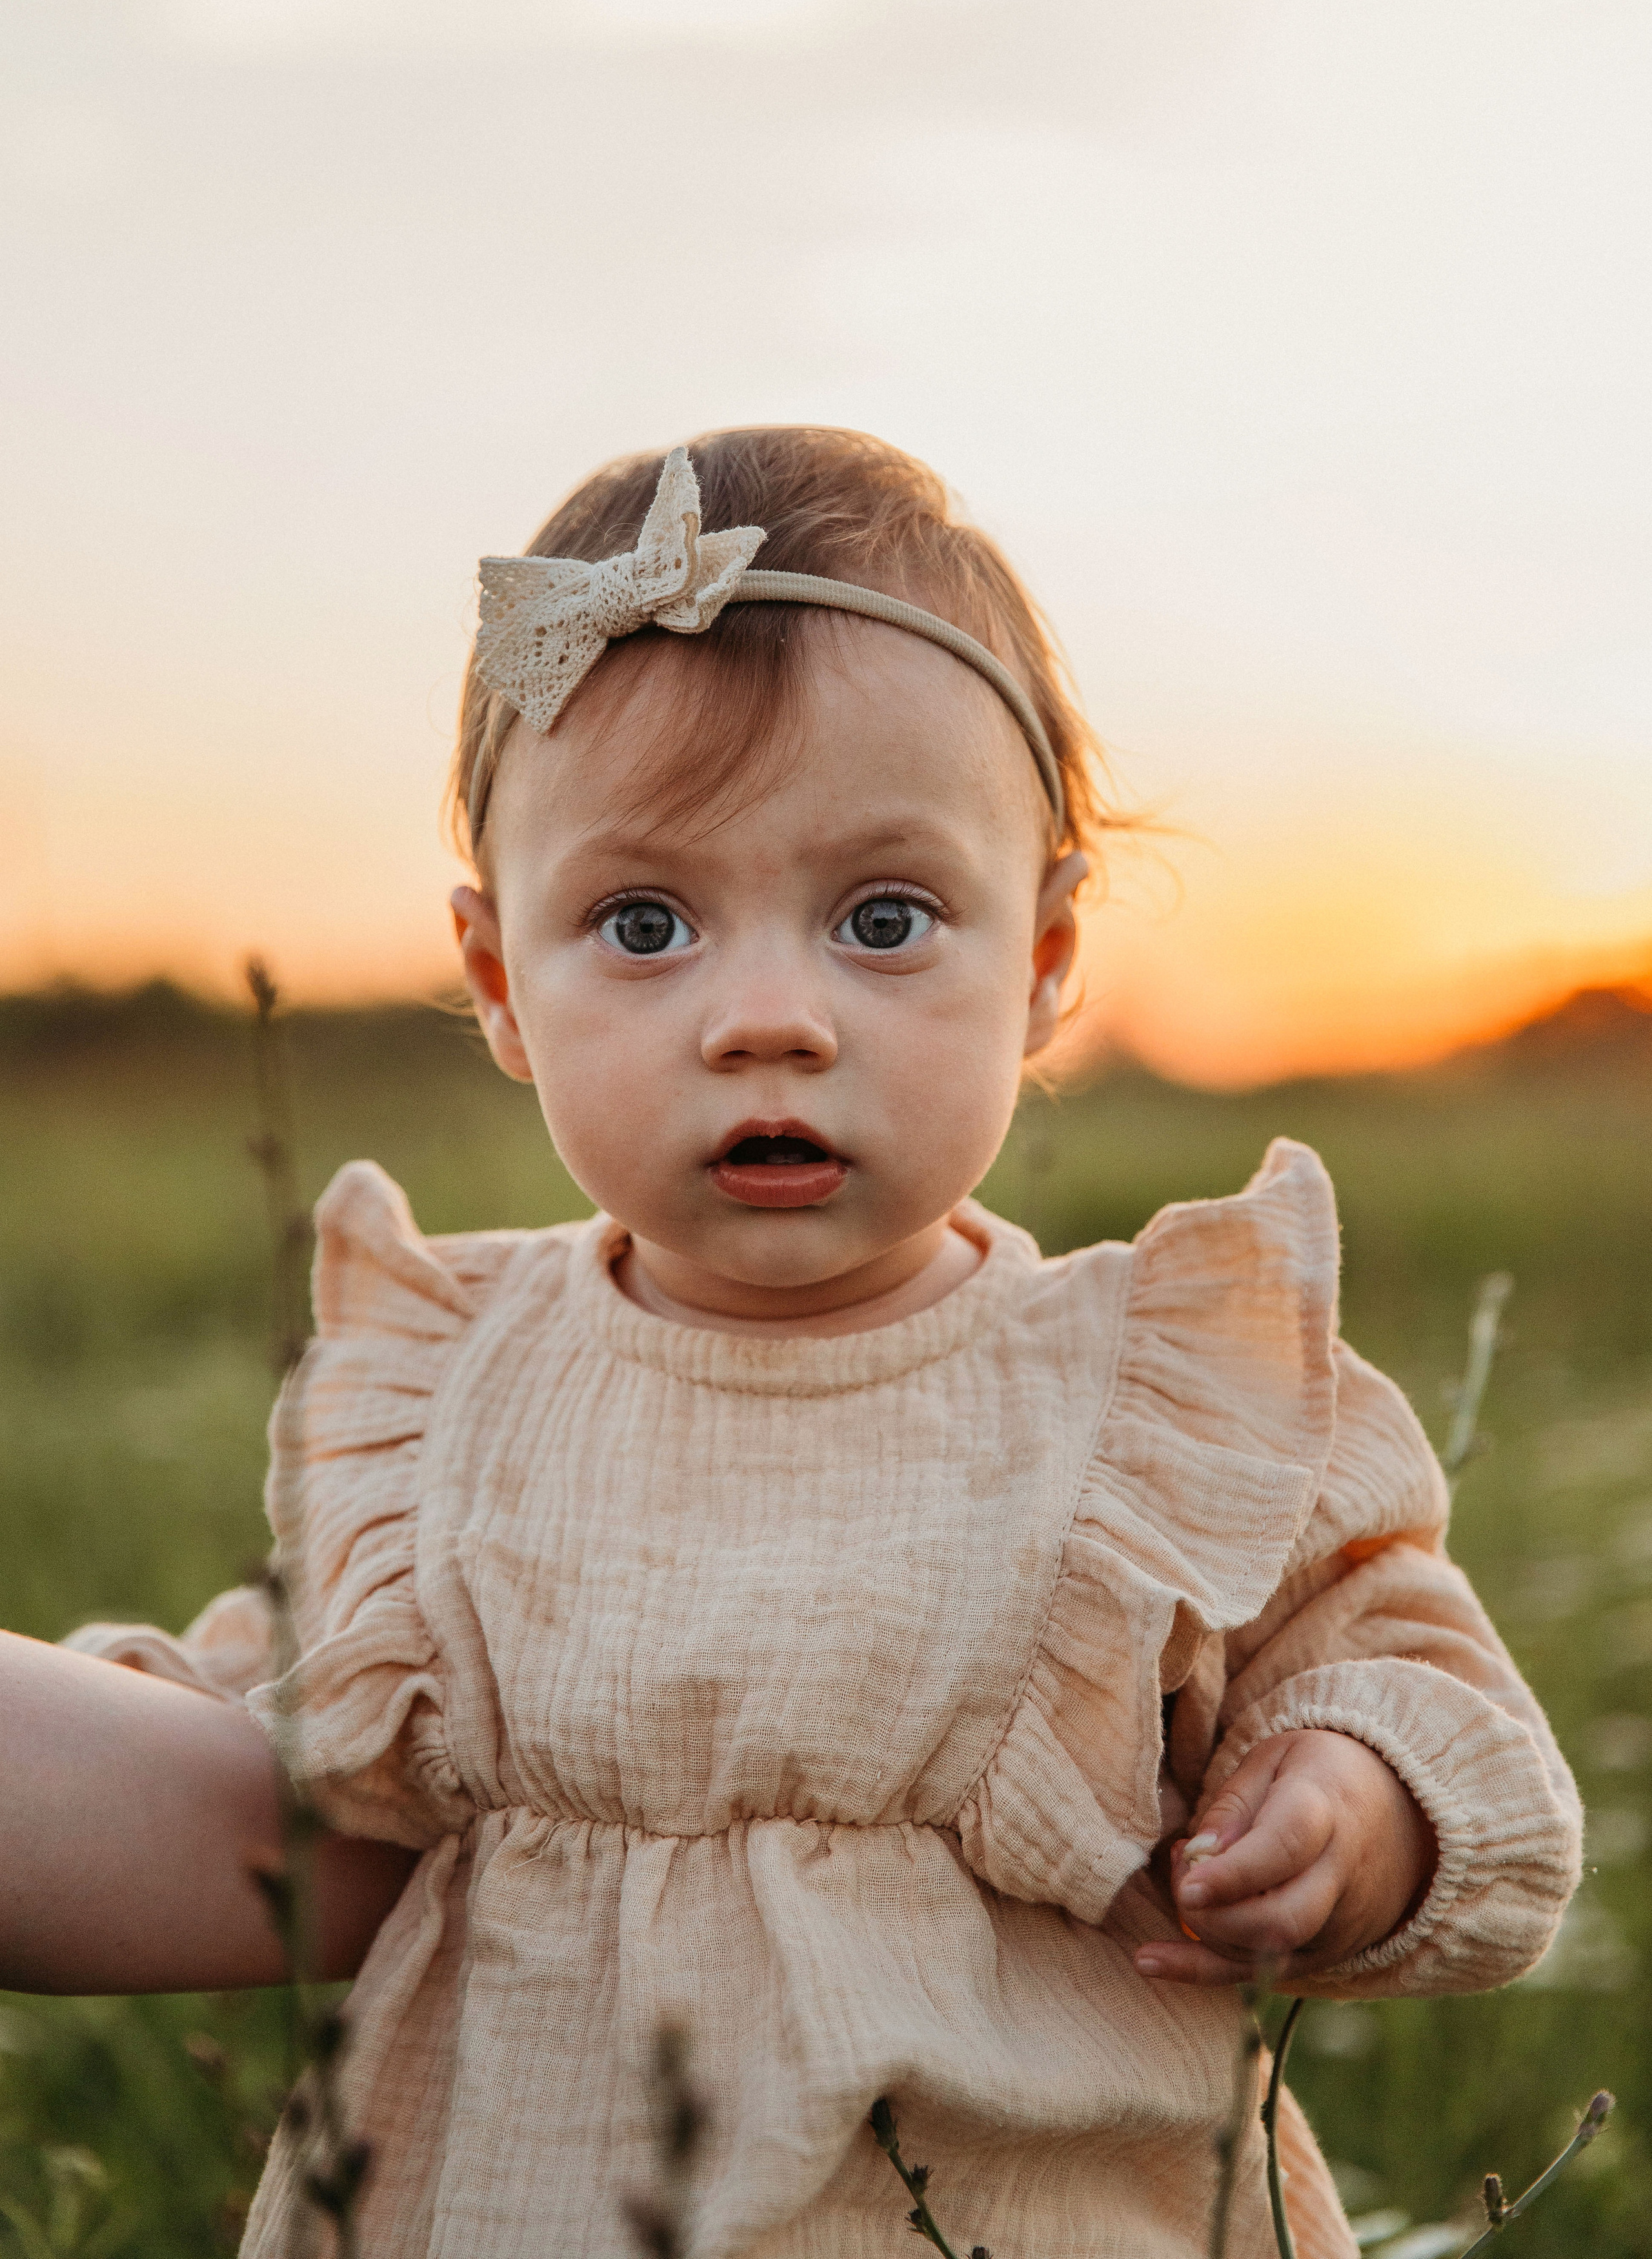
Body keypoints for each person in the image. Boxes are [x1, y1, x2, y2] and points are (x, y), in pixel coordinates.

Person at [0, 428, 1580, 2258]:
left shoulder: (1148, 1401)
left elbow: (1428, 1699)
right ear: (503, 980)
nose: (769, 1020)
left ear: (1050, 951)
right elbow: (275, 1763)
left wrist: (1355, 1805)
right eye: (644, 923)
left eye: (884, 920)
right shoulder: (455, 1394)